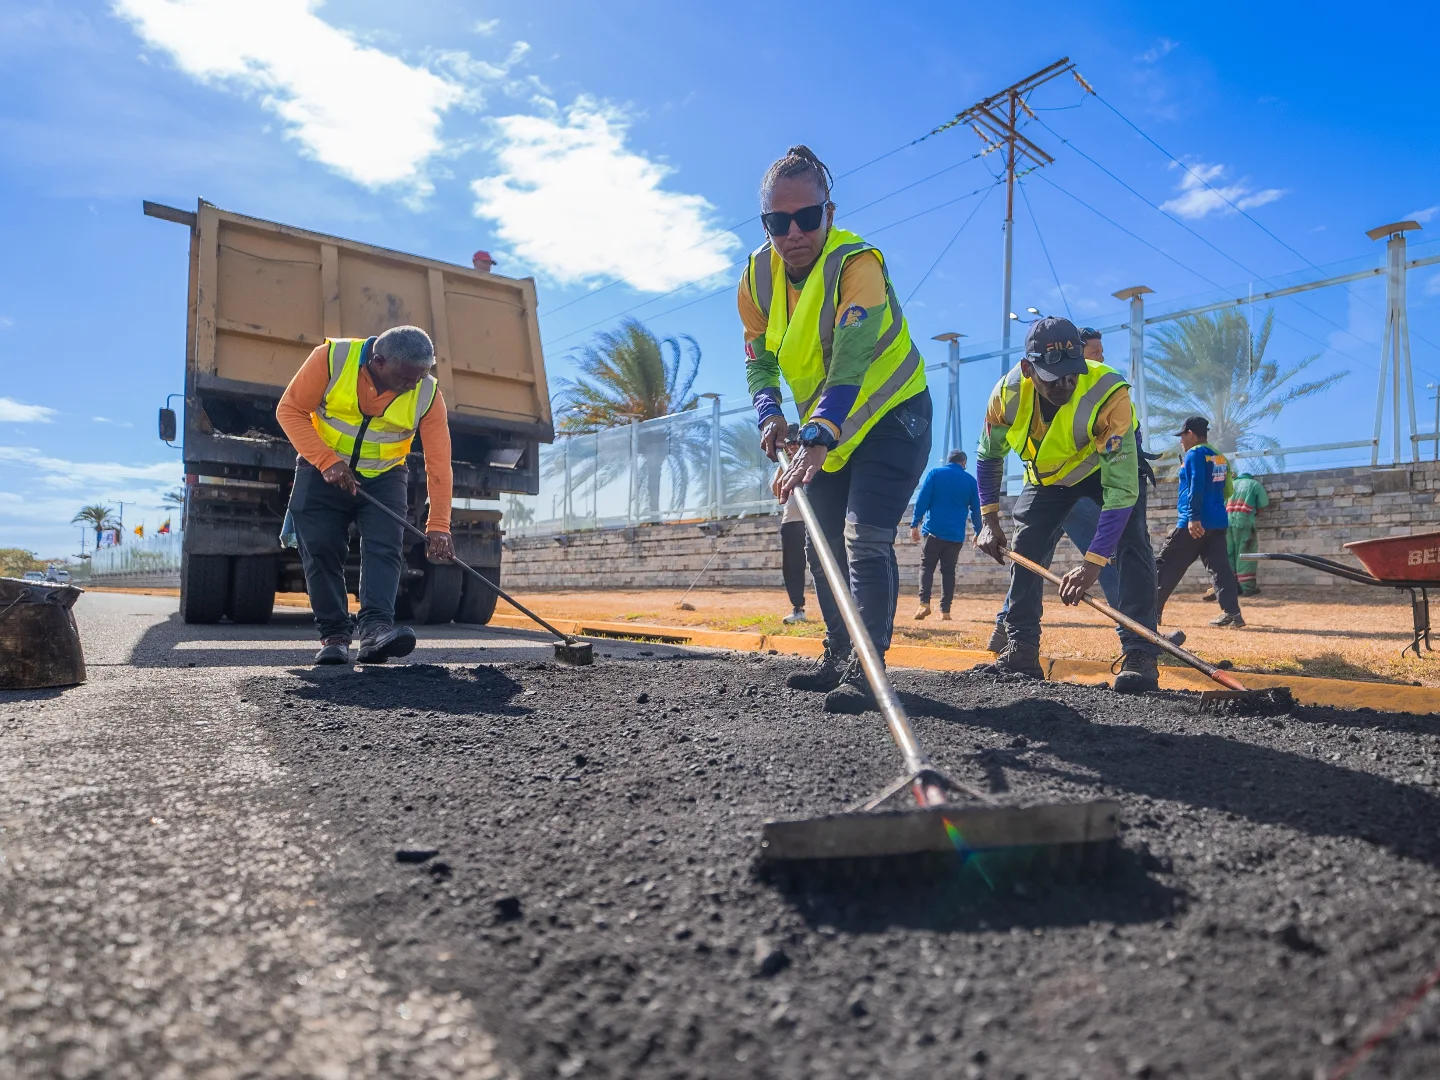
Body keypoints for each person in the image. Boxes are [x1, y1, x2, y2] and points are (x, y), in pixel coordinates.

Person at [740, 145, 931, 714]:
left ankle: (869, 669)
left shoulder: (858, 264)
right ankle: (838, 655)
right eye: (778, 221)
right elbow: (759, 359)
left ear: (829, 211)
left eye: (808, 217)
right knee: (824, 546)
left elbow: (849, 364)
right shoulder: (757, 277)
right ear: (765, 223)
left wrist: (818, 436)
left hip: (893, 414)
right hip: (831, 423)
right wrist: (770, 412)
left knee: (864, 538)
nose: (793, 232)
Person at [973, 316, 1161, 693]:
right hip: (1048, 480)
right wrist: (988, 519)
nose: (1066, 384)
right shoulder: (1006, 394)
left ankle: (1141, 654)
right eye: (1053, 376)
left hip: (1106, 470)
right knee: (1026, 548)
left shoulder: (1109, 392)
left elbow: (1121, 492)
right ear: (1028, 369)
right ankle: (1022, 650)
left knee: (1133, 546)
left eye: (1072, 373)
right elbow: (989, 456)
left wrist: (1093, 564)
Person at [276, 325, 455, 665]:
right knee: (320, 549)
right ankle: (334, 635)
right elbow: (289, 410)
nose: (412, 386)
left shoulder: (428, 393)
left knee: (384, 548)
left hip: (386, 477)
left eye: (421, 377)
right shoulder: (331, 359)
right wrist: (327, 461)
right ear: (379, 361)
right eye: (405, 378)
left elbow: (439, 463)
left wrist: (439, 525)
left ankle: (374, 632)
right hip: (321, 471)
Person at [985, 327, 1123, 652]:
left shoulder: (1100, 390)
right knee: (1104, 557)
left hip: (1082, 484)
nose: (1100, 358)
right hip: (1053, 488)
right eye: (1096, 351)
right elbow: (990, 453)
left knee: (1032, 557)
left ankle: (1005, 630)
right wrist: (988, 518)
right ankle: (1138, 628)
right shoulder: (1016, 393)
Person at [1155, 416, 1244, 628]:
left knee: (1167, 565)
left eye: (1182, 436)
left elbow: (1196, 485)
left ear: (1191, 434)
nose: (1180, 442)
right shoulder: (1219, 457)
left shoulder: (1194, 454)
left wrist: (1194, 517)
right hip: (1217, 522)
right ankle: (1232, 613)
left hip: (1194, 523)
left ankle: (1149, 612)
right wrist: (1213, 508)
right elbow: (1228, 490)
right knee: (1220, 568)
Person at [909, 450, 981, 622]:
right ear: (963, 462)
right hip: (955, 535)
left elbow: (923, 499)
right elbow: (976, 510)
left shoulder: (935, 474)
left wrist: (915, 523)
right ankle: (945, 611)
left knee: (926, 567)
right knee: (948, 572)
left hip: (933, 531)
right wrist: (978, 531)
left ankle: (924, 603)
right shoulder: (970, 481)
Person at [775, 423, 808, 624]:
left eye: (796, 443)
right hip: (792, 521)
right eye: (788, 444)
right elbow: (776, 490)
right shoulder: (785, 464)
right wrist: (783, 466)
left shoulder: (813, 458)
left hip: (814, 520)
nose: (792, 447)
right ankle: (798, 608)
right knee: (792, 566)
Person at [1226, 470, 1269, 596]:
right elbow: (1264, 503)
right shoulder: (1254, 484)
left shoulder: (1231, 484)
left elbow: (1222, 504)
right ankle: (1247, 588)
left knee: (1230, 554)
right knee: (1246, 553)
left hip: (1227, 522)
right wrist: (1256, 510)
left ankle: (1232, 586)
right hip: (1244, 522)